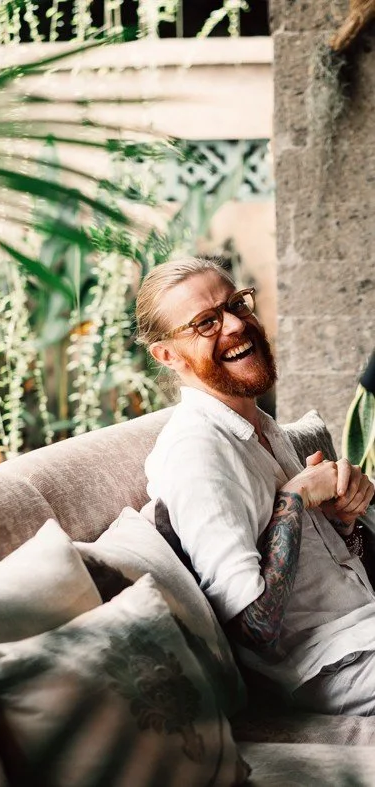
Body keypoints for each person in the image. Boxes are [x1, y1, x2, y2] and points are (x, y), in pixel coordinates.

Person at [135, 257, 375, 715]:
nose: (235, 325)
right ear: (167, 354)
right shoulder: (197, 452)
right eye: (206, 323)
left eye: (236, 305)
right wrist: (295, 499)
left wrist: (344, 521)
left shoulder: (261, 426)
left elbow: (321, 573)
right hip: (332, 668)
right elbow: (254, 626)